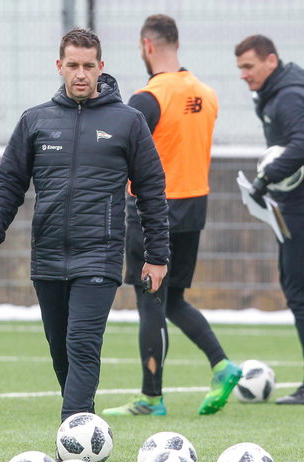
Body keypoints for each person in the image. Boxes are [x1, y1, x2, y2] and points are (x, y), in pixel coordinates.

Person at [0, 28, 169, 422]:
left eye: (88, 66)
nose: (81, 74)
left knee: (82, 343)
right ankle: (85, 423)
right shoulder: (35, 121)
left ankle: (72, 437)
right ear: (59, 66)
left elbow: (151, 190)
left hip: (99, 255)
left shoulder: (128, 122)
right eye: (73, 65)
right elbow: (9, 181)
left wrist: (157, 255)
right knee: (60, 349)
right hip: (48, 254)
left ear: (101, 68)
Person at [102, 14, 241, 417]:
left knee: (150, 300)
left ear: (147, 46)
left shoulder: (147, 98)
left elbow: (120, 155)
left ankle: (151, 397)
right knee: (173, 298)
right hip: (194, 206)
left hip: (152, 210)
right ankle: (221, 364)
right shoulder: (207, 94)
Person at [234, 35, 304, 404]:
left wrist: (265, 177)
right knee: (296, 291)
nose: (244, 75)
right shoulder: (276, 95)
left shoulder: (291, 96)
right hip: (294, 208)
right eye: (240, 68)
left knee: (302, 294)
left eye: (249, 66)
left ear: (271, 61)